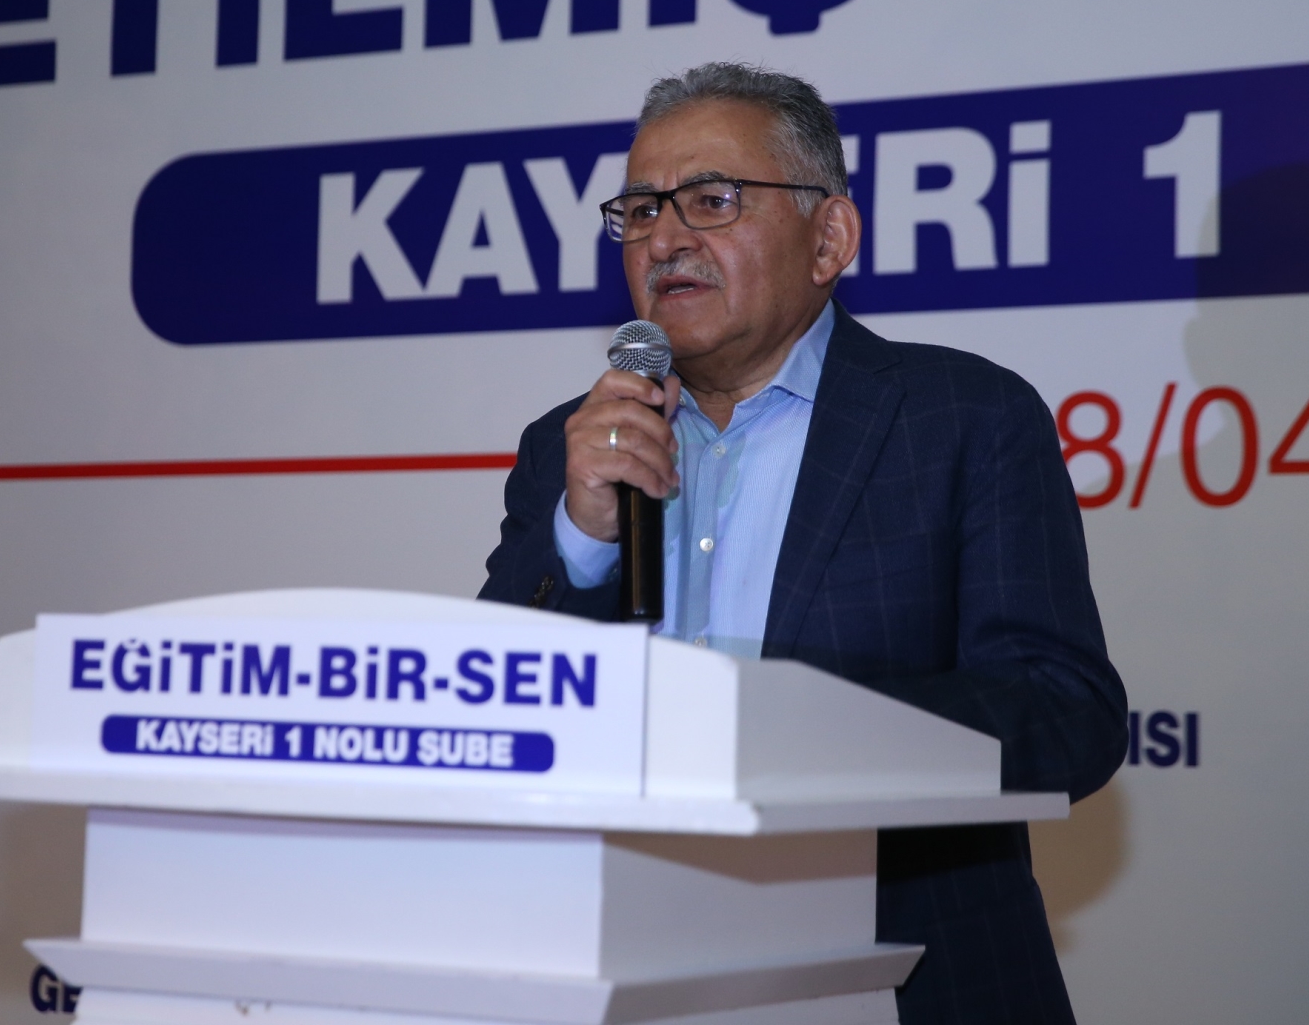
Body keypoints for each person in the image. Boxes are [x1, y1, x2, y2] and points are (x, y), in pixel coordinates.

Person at [479, 62, 1127, 1024]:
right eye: (642, 210)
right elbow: (493, 717)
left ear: (830, 239)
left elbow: (1068, 719)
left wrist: (794, 722)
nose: (665, 239)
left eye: (711, 200)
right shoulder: (566, 448)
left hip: (907, 980)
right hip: (629, 972)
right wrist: (583, 537)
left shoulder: (963, 418)